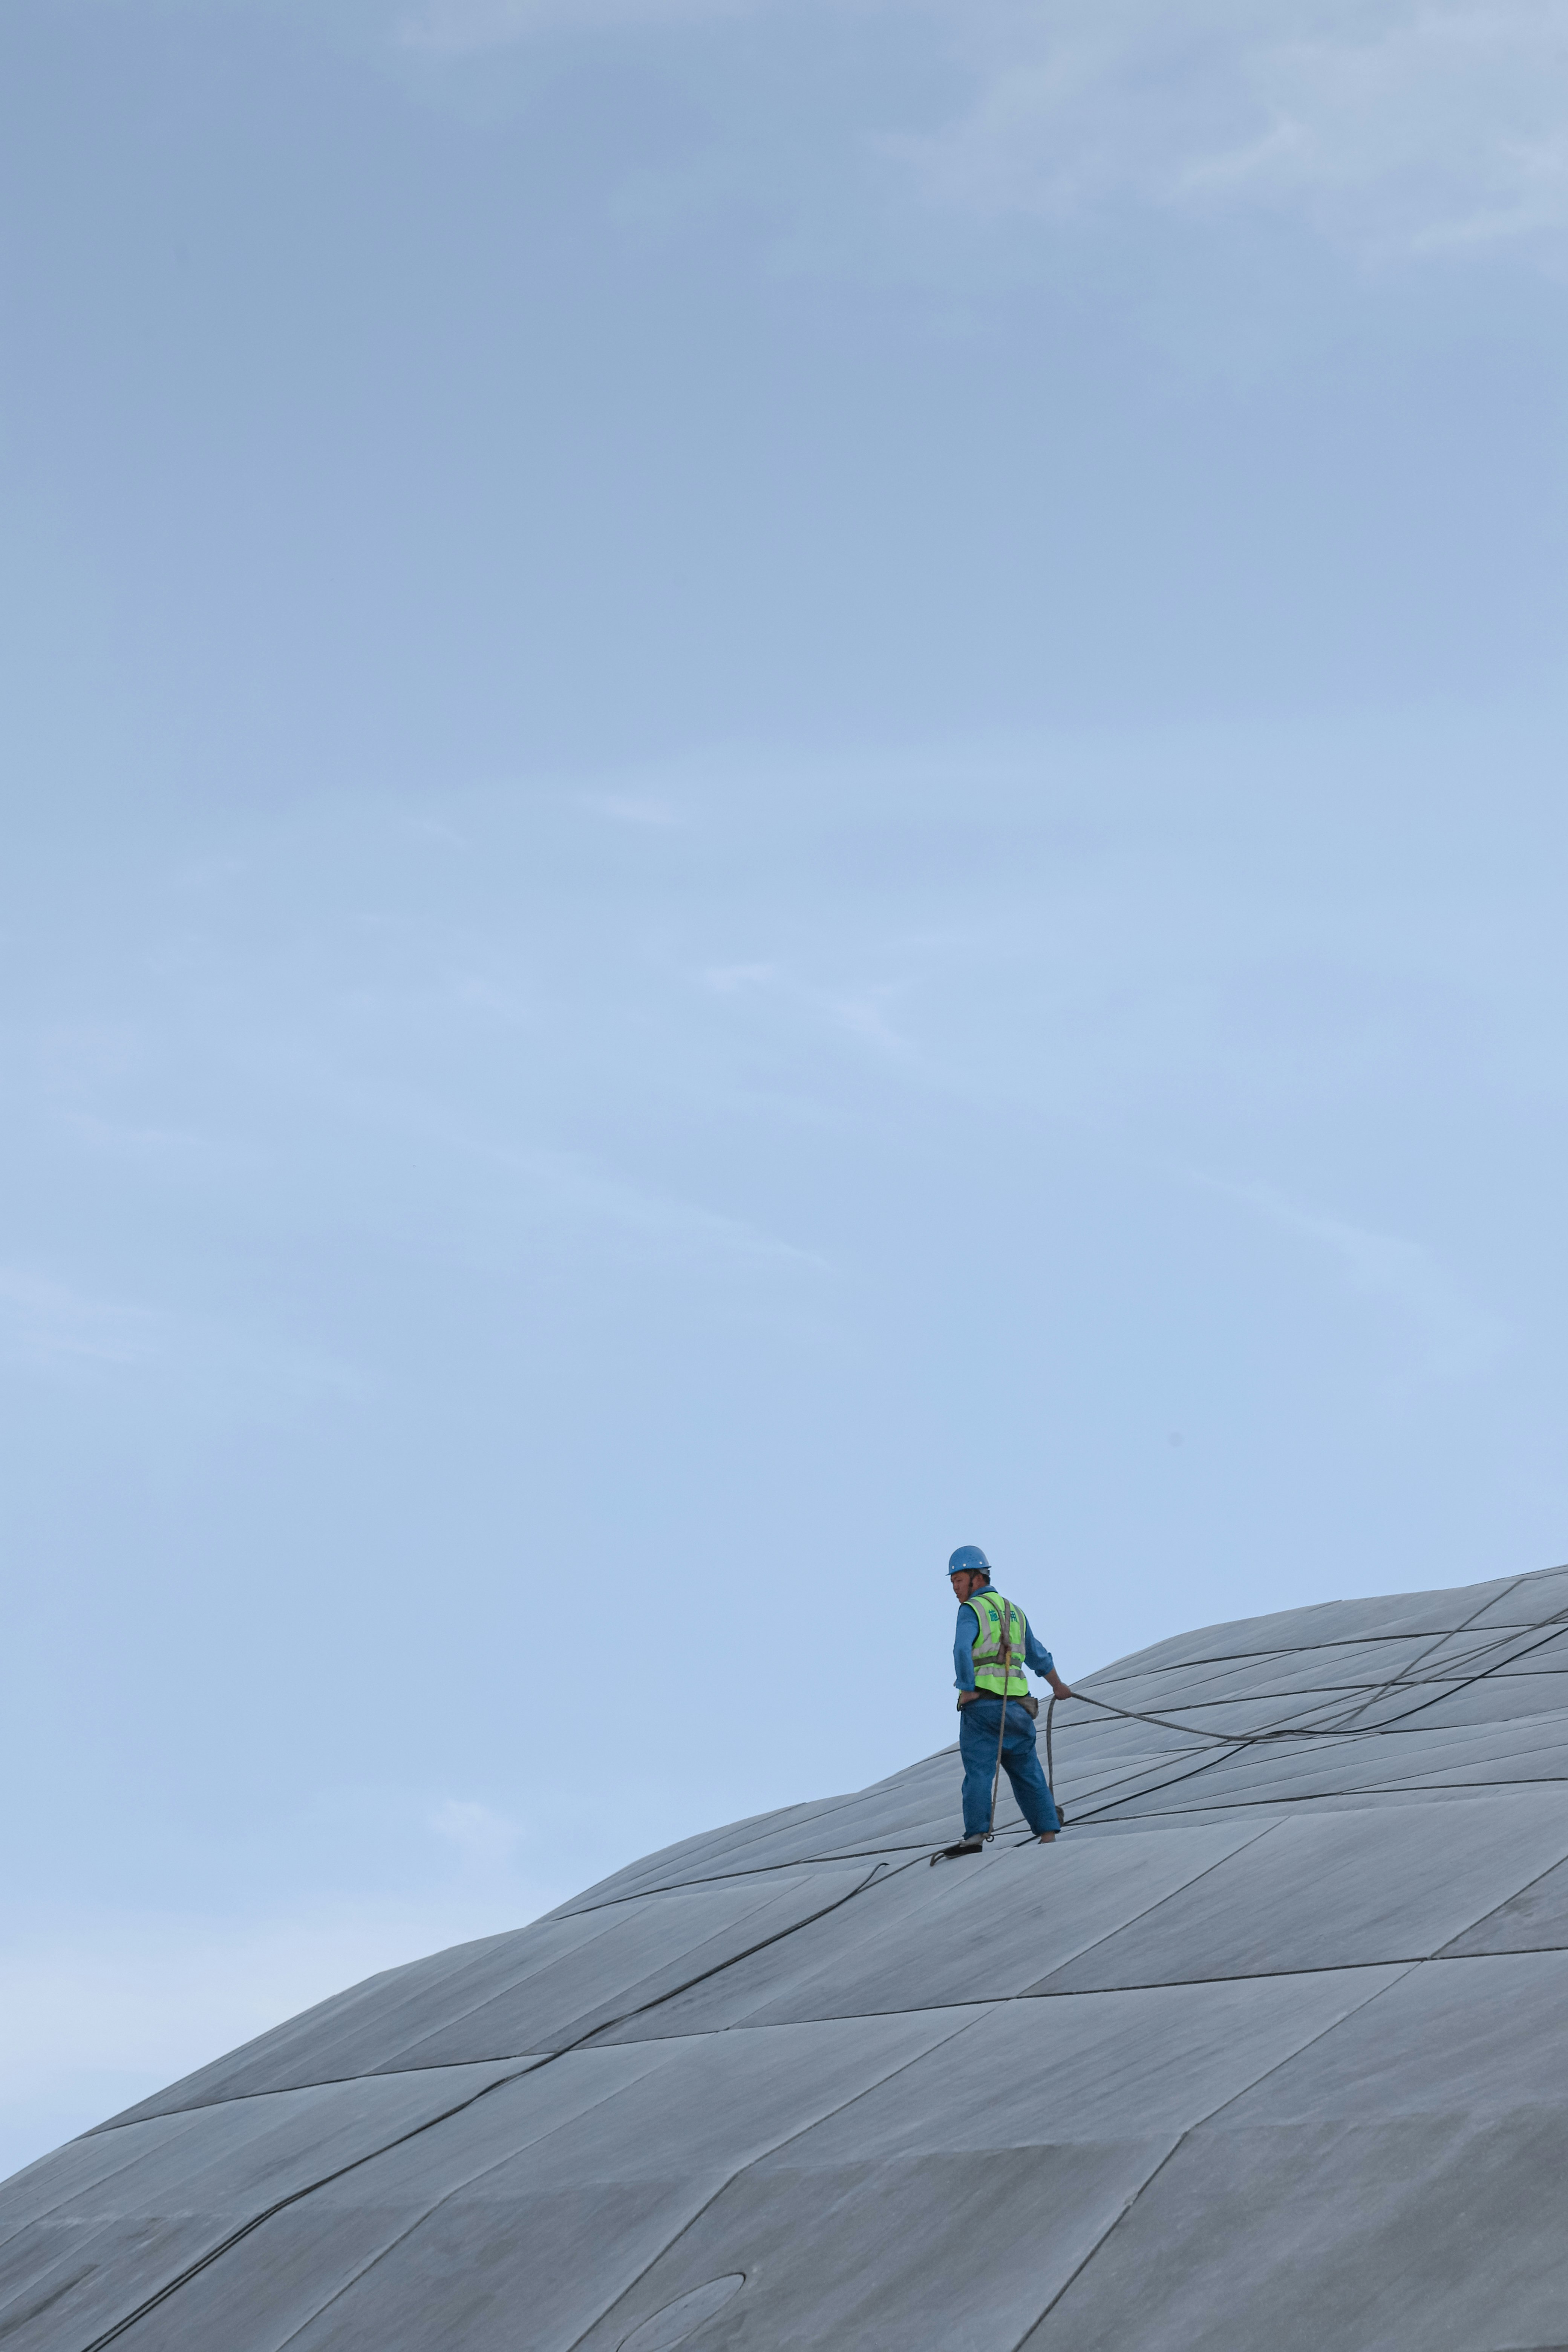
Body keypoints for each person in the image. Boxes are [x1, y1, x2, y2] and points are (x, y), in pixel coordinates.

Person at [947, 1544, 1073, 1851]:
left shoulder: (971, 1610)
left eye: (959, 1580)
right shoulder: (1015, 1612)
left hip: (983, 1710)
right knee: (1028, 1773)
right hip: (1018, 1710)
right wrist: (1058, 1686)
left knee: (978, 1773)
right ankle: (1047, 1834)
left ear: (977, 1578)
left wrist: (967, 1688)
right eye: (952, 1582)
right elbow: (1038, 1655)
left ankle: (975, 1836)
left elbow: (961, 1650)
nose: (955, 1588)